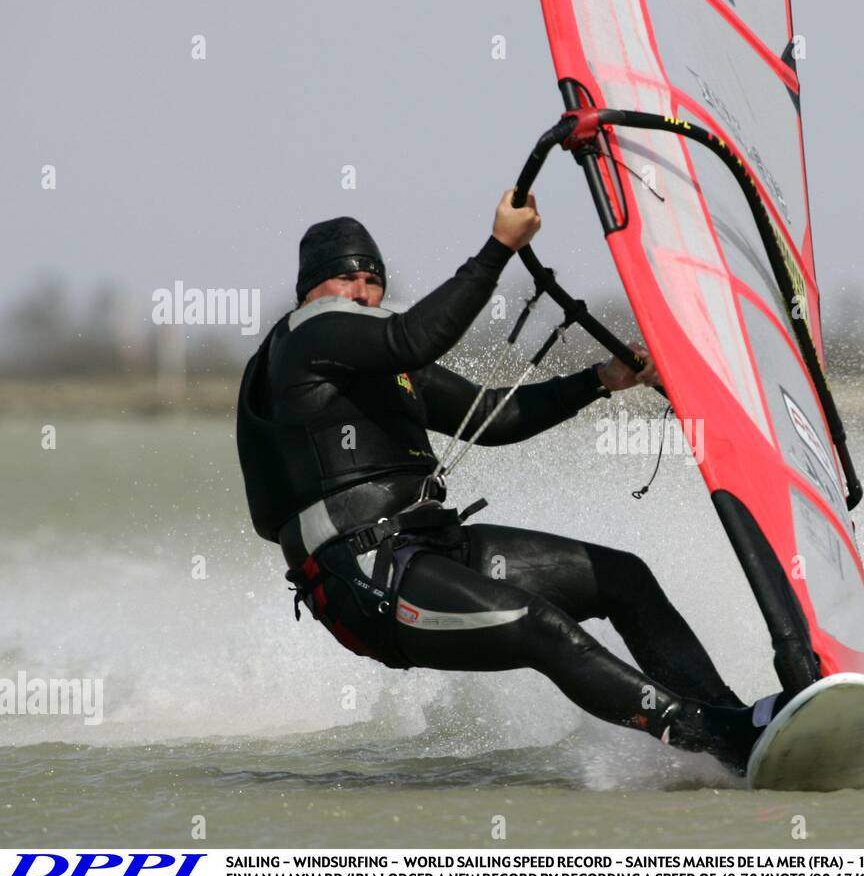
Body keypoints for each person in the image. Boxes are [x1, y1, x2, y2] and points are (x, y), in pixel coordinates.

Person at [236, 190, 783, 775]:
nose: (363, 291)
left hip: (429, 551)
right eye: (346, 280)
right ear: (310, 291)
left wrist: (599, 379)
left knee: (623, 578)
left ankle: (739, 728)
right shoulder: (306, 336)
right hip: (366, 579)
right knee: (539, 627)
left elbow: (491, 415)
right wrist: (499, 248)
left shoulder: (384, 364)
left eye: (373, 280)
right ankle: (716, 738)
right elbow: (410, 337)